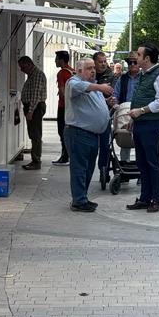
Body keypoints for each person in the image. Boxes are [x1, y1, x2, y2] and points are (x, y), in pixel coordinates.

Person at [126, 44, 159, 212]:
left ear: (146, 58)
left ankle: (155, 200)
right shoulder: (144, 74)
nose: (135, 57)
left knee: (152, 162)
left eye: (138, 55)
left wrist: (141, 111)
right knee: (142, 162)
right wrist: (133, 119)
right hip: (140, 123)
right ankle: (145, 197)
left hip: (151, 124)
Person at [64, 57, 113, 212]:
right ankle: (78, 201)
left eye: (93, 68)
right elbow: (82, 87)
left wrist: (107, 103)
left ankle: (82, 198)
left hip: (92, 134)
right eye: (89, 68)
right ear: (79, 71)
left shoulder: (93, 87)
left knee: (88, 169)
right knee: (79, 169)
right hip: (78, 133)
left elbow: (93, 103)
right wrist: (101, 87)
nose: (93, 70)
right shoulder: (74, 83)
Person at [17, 55, 47, 169]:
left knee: (35, 135)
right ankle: (35, 159)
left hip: (35, 108)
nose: (21, 69)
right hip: (32, 107)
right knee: (33, 134)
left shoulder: (37, 75)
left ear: (29, 64)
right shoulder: (32, 75)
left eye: (22, 67)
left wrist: (30, 111)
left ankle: (36, 161)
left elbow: (35, 95)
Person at [93, 50, 116, 189]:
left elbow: (112, 93)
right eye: (100, 62)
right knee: (91, 146)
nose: (103, 64)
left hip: (105, 116)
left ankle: (103, 169)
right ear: (94, 62)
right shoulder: (89, 75)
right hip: (89, 117)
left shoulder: (111, 76)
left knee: (105, 145)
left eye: (104, 61)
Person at [52, 50, 73, 164]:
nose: (55, 61)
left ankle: (65, 156)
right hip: (72, 108)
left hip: (63, 107)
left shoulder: (62, 73)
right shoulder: (72, 71)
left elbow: (62, 90)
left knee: (62, 131)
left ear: (61, 60)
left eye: (56, 59)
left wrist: (65, 102)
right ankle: (69, 155)